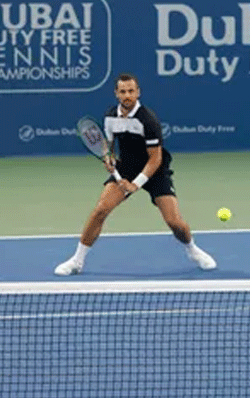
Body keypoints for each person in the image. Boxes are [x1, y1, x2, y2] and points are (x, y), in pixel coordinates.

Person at [54, 73, 217, 276]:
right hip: (126, 168)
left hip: (155, 171)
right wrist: (108, 157)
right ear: (116, 94)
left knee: (175, 222)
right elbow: (109, 146)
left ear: (138, 92)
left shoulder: (148, 120)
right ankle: (77, 261)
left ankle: (193, 250)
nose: (127, 95)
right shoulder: (110, 116)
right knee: (100, 210)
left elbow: (155, 159)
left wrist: (137, 183)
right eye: (123, 92)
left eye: (131, 91)